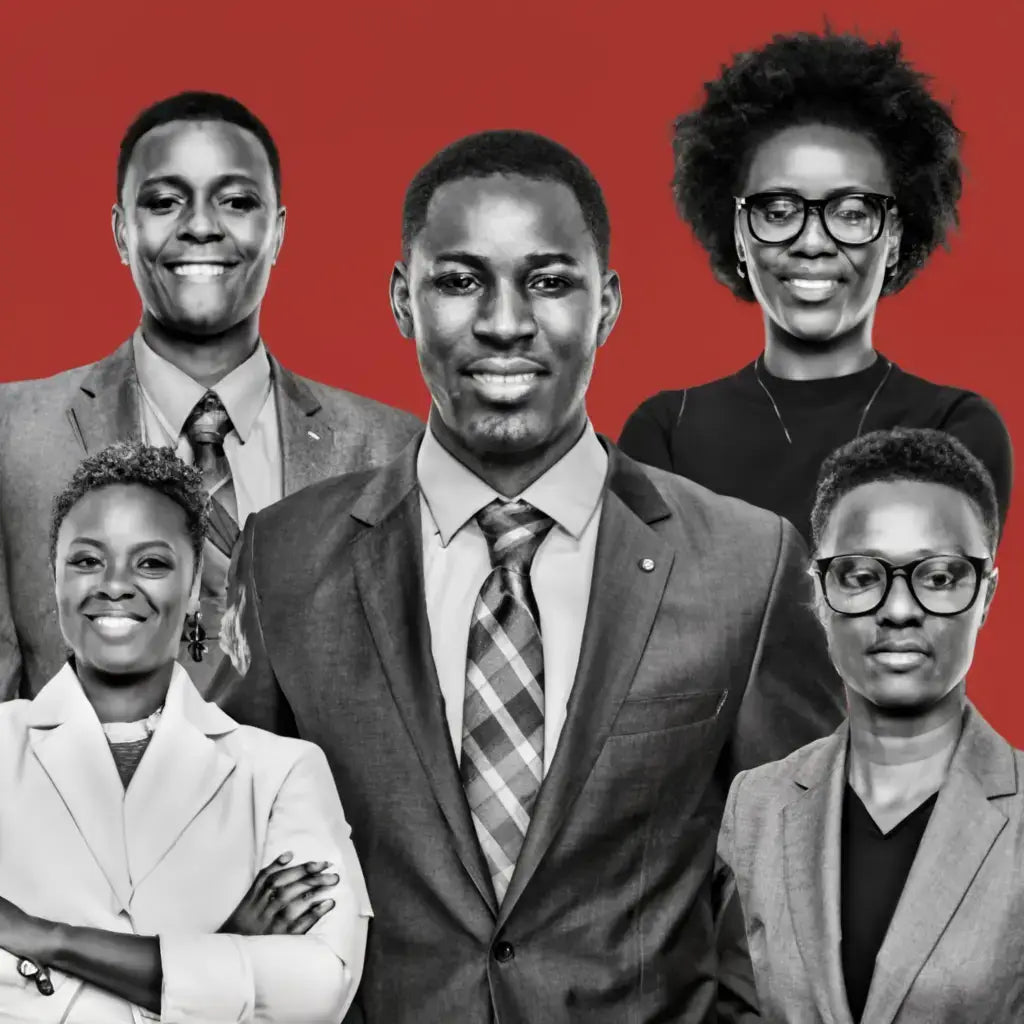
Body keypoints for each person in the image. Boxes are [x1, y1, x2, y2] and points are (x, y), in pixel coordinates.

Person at [210, 128, 845, 1022]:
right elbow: (221, 864)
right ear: (403, 300)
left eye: (548, 282)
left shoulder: (747, 563)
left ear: (608, 305)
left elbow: (803, 892)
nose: (505, 322)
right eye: (460, 280)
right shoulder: (282, 559)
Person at [0, 90, 421, 699]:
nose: (200, 225)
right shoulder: (13, 434)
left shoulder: (391, 450)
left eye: (237, 201)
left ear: (276, 233)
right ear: (122, 233)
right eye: (165, 201)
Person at [0, 442, 371, 1022]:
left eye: (151, 563)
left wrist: (41, 938)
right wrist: (224, 948)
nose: (115, 585)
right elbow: (271, 994)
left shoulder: (282, 772)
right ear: (54, 577)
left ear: (196, 585)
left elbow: (320, 988)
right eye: (87, 561)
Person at [618, 31, 1012, 545]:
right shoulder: (667, 431)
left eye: (850, 213)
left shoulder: (956, 428)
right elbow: (649, 615)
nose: (812, 242)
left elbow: (917, 609)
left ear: (893, 236)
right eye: (778, 212)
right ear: (739, 233)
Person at [718, 428, 1024, 1023]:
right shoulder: (754, 806)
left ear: (985, 594)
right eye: (861, 576)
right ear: (821, 595)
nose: (900, 609)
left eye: (938, 577)